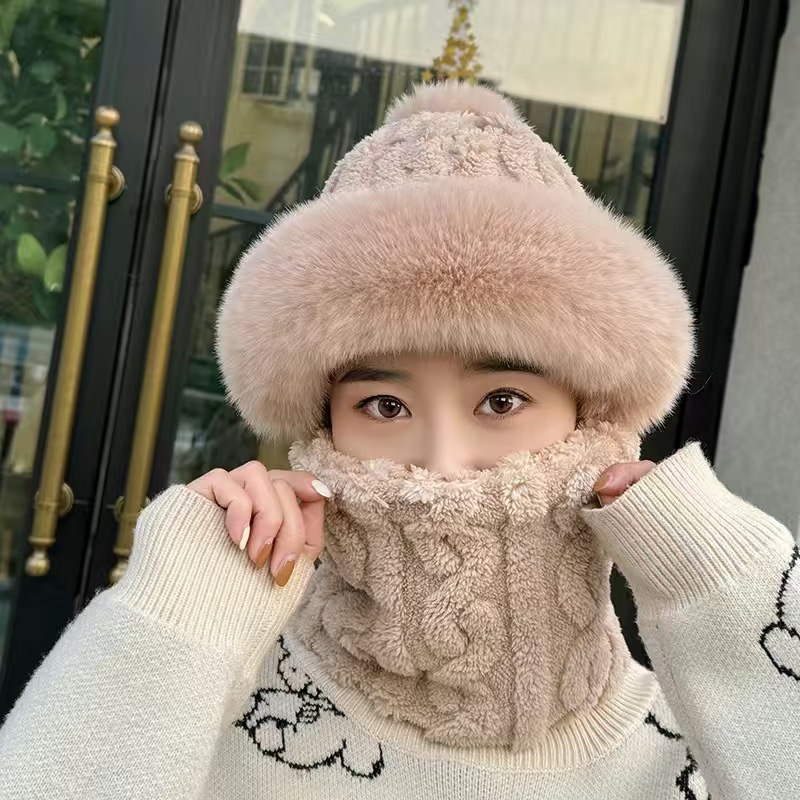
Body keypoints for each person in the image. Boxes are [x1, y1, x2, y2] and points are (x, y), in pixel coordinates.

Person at [1, 81, 798, 799]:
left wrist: (730, 593)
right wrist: (175, 619)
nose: (442, 464)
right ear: (324, 425)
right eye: (384, 405)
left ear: (592, 419)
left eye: (503, 399)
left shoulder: (707, 746)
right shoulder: (208, 710)